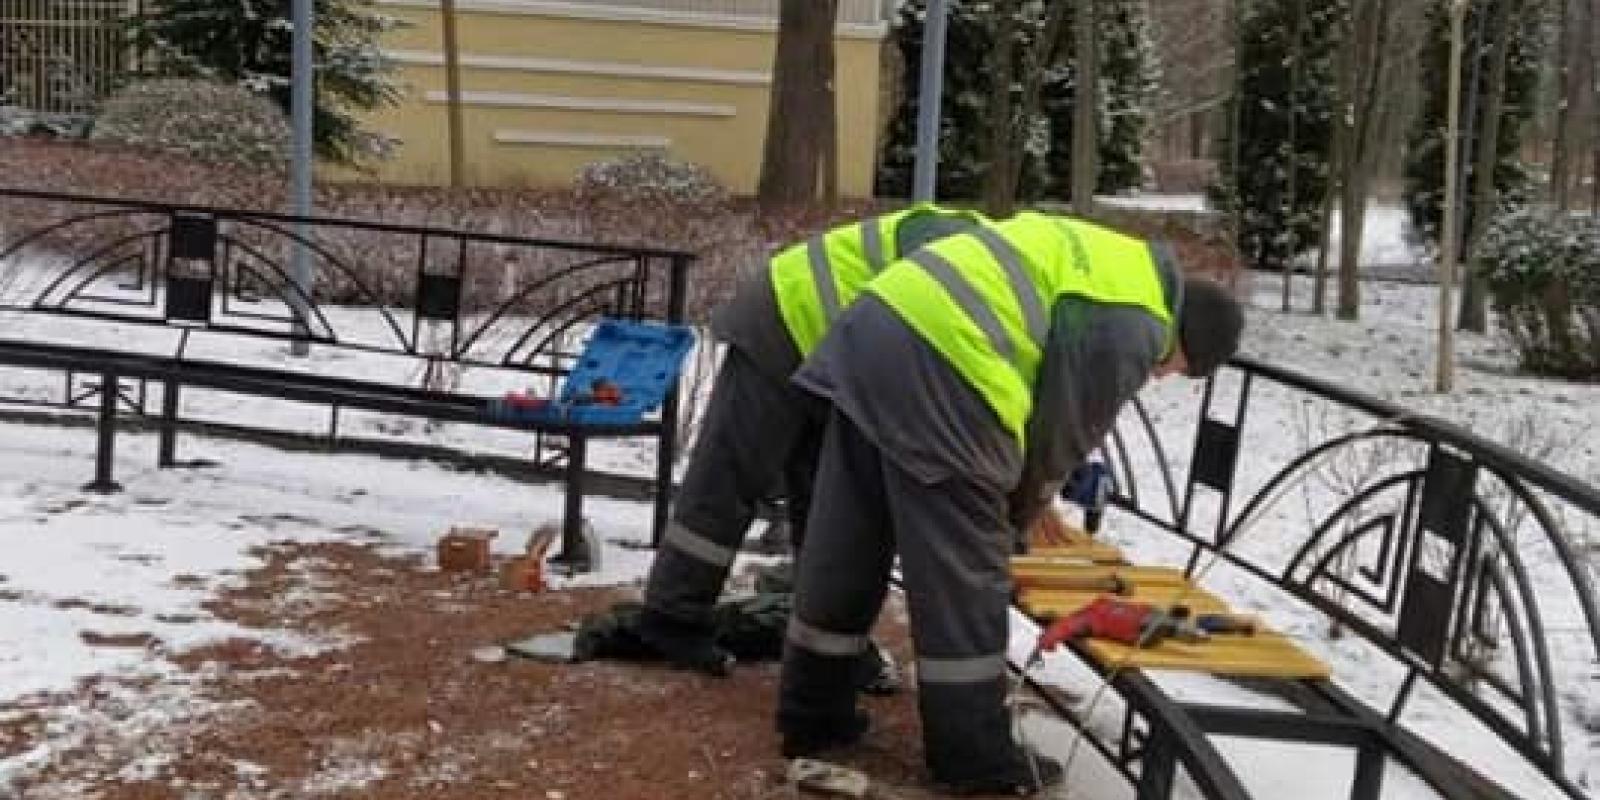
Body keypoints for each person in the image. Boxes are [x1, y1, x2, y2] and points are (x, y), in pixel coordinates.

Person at [775, 212, 1245, 795]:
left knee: (851, 537)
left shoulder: (1115, 263)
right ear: (1186, 341)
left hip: (876, 324)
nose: (1159, 376)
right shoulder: (1139, 319)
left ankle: (813, 712)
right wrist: (1012, 521)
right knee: (966, 578)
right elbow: (1059, 438)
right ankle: (973, 758)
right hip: (947, 358)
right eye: (1174, 370)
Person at [636, 204, 988, 676]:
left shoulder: (985, 270)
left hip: (833, 355)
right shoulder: (956, 245)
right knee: (731, 475)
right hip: (785, 318)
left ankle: (825, 647)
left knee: (832, 506)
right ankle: (669, 616)